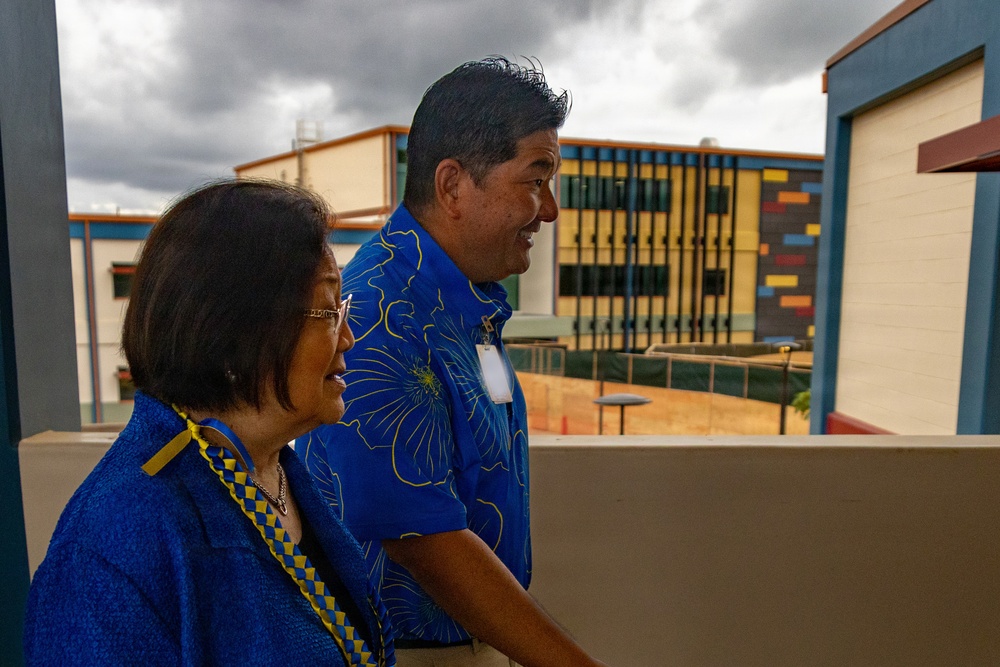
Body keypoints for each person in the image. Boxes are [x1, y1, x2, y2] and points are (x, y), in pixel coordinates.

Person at [300, 58, 606, 667]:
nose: (549, 210)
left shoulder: (462, 302)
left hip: (475, 640)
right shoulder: (381, 316)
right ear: (452, 186)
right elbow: (424, 541)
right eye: (535, 180)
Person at [24, 180, 394, 666]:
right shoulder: (110, 549)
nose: (347, 338)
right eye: (328, 310)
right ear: (234, 333)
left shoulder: (273, 470)